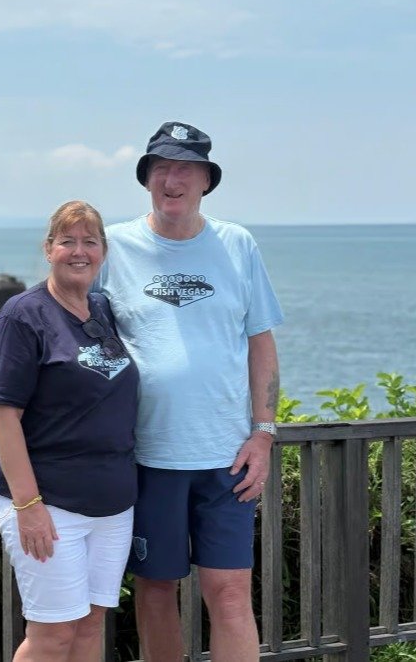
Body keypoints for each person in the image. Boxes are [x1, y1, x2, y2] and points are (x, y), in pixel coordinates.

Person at [97, 121, 284, 662]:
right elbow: (73, 334)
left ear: (206, 181)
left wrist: (264, 434)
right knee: (156, 591)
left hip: (227, 458)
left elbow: (261, 344)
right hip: (147, 456)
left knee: (230, 594)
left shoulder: (237, 244)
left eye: (185, 169)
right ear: (146, 178)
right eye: (161, 168)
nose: (171, 180)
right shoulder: (115, 247)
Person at [0, 200, 139, 661]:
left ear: (103, 251)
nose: (79, 251)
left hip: (113, 506)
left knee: (90, 627)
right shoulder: (22, 315)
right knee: (52, 635)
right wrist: (28, 505)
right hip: (50, 505)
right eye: (67, 241)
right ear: (48, 249)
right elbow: (3, 414)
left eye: (90, 242)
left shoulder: (102, 310)